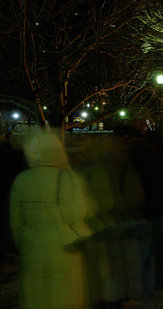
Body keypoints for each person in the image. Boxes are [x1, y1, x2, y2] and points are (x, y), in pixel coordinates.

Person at [10, 131, 92, 309]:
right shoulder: (67, 177)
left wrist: (24, 241)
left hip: (31, 246)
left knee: (35, 295)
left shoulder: (21, 179)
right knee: (63, 295)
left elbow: (15, 221)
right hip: (62, 246)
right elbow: (75, 214)